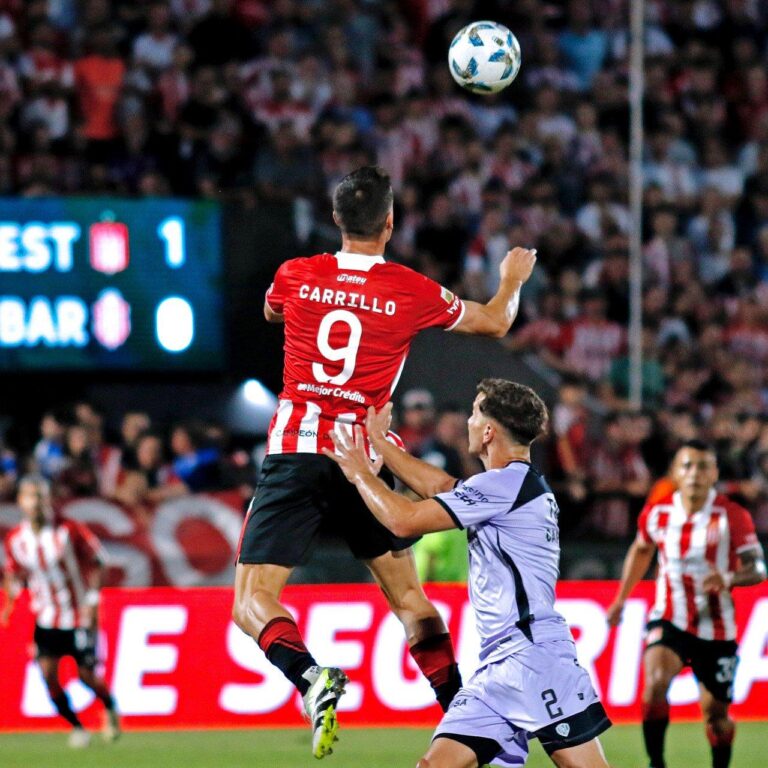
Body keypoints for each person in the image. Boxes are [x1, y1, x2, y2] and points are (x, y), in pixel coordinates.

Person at [231, 166, 537, 759]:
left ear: (337, 220)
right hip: (365, 465)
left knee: (252, 600)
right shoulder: (408, 288)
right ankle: (471, 720)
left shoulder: (296, 273)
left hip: (297, 450)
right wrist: (511, 280)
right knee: (410, 603)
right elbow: (496, 321)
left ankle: (309, 676)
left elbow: (274, 312)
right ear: (391, 224)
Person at [324, 379, 612, 768]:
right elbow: (442, 486)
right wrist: (381, 445)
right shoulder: (515, 484)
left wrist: (360, 473)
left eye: (476, 413)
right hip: (496, 668)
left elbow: (404, 520)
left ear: (490, 431)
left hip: (534, 658)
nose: (469, 422)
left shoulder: (506, 484)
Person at [606, 441, 766, 768]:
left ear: (715, 474)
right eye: (687, 465)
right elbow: (641, 550)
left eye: (703, 466)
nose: (695, 473)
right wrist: (621, 599)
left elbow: (758, 568)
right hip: (669, 617)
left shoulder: (731, 516)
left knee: (716, 717)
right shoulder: (658, 512)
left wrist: (730, 578)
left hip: (716, 628)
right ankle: (656, 763)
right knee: (653, 687)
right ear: (676, 472)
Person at [2, 475, 120, 747]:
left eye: (41, 496)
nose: (37, 503)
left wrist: (92, 599)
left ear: (49, 499)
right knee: (47, 675)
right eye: (31, 496)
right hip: (46, 618)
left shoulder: (69, 530)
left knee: (87, 676)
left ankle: (110, 707)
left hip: (78, 615)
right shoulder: (16, 540)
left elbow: (99, 561)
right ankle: (77, 726)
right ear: (21, 502)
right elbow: (14, 573)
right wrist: (9, 604)